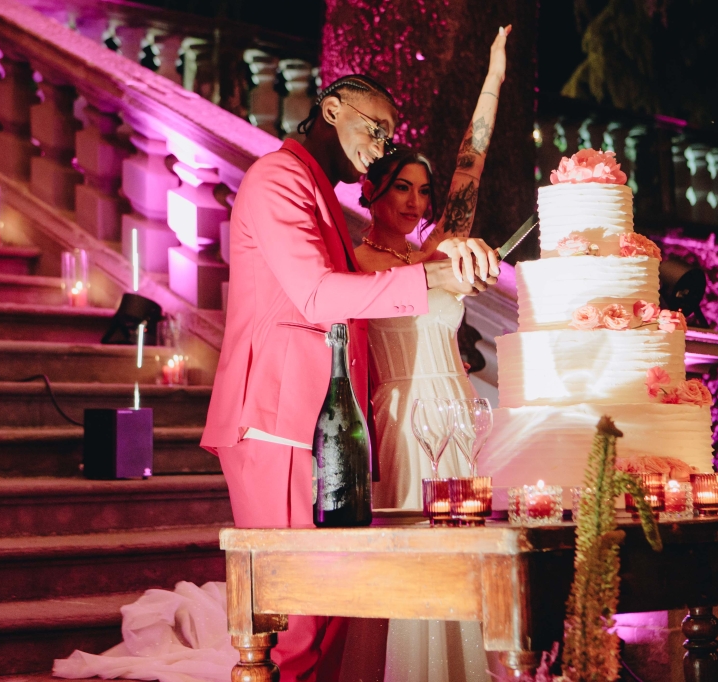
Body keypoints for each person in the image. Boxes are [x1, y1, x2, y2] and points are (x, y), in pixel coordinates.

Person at [199, 73, 501, 682]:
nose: (382, 144)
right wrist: (434, 278)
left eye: (390, 135)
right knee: (294, 618)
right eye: (376, 128)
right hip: (280, 422)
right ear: (332, 109)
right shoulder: (278, 177)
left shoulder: (316, 190)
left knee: (331, 612)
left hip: (334, 428)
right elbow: (316, 295)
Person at [351, 26, 512, 682]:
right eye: (402, 188)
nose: (417, 202)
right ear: (373, 190)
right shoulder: (358, 261)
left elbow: (471, 163)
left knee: (463, 543)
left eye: (423, 190)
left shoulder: (439, 245)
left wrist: (494, 78)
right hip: (404, 409)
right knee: (415, 548)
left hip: (457, 410)